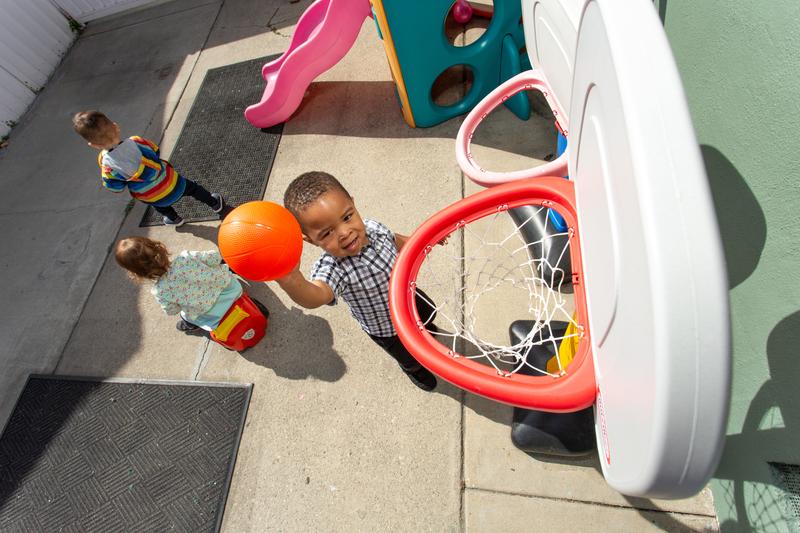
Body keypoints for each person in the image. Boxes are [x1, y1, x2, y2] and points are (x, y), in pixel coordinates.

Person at [276, 171, 438, 391]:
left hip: (410, 297)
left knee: (428, 317)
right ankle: (414, 369)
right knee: (408, 355)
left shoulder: (371, 227)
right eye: (326, 234)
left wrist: (423, 240)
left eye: (347, 217)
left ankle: (426, 331)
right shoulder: (333, 267)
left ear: (353, 203)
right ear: (310, 241)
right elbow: (316, 295)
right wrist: (291, 279)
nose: (344, 232)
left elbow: (395, 240)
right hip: (387, 327)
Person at [72, 110, 226, 227]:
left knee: (160, 205)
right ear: (116, 127)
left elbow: (116, 188)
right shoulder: (137, 141)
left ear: (93, 146)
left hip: (152, 196)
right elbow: (156, 151)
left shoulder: (107, 167)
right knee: (193, 189)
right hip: (173, 182)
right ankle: (214, 203)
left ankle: (175, 219)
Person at [114, 236, 268, 335]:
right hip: (231, 291)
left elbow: (171, 310)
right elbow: (215, 258)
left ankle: (190, 326)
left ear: (137, 273)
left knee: (185, 315)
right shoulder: (186, 257)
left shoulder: (160, 291)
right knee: (225, 275)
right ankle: (251, 305)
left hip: (214, 317)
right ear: (158, 248)